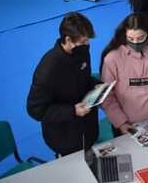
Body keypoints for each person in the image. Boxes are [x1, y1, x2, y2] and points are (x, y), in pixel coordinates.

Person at [26, 13, 99, 156]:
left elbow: (83, 79)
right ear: (68, 40)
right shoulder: (48, 69)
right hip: (65, 138)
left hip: (88, 129)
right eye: (83, 42)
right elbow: (35, 110)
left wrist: (97, 85)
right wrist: (72, 111)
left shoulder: (82, 52)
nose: (87, 45)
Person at [100, 13, 148, 133]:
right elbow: (107, 95)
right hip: (124, 124)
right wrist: (121, 122)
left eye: (140, 38)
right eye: (130, 39)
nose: (135, 43)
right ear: (124, 35)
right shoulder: (112, 58)